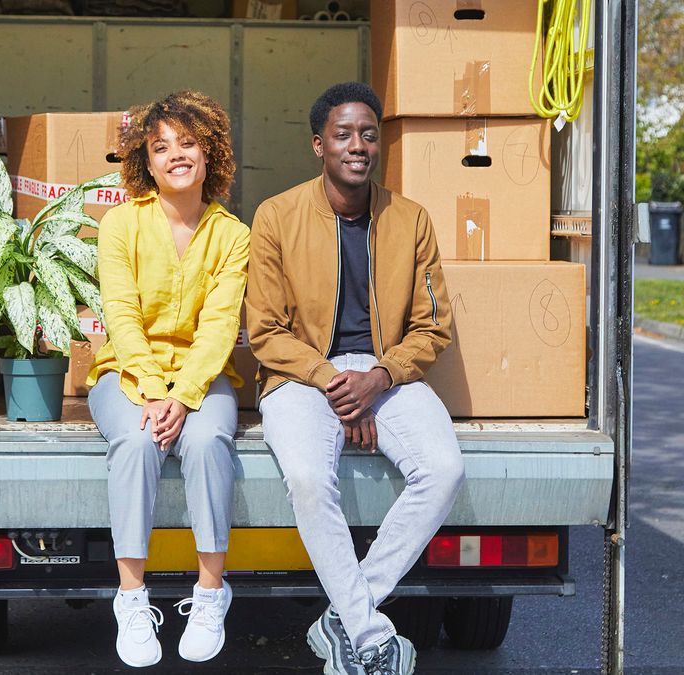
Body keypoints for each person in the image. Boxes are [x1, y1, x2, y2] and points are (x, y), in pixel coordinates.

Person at [245, 82, 465, 675]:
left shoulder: (411, 219)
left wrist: (379, 377)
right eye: (343, 134)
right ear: (319, 145)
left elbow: (432, 327)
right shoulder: (276, 216)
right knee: (311, 479)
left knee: (444, 468)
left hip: (384, 375)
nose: (357, 145)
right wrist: (332, 382)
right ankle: (370, 635)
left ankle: (345, 615)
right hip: (299, 377)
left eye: (369, 134)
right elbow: (263, 331)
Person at [86, 90, 249, 668]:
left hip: (202, 379)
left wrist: (184, 396)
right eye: (161, 147)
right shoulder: (120, 226)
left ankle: (210, 594)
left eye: (187, 143)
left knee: (207, 441)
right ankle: (131, 599)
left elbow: (220, 327)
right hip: (127, 373)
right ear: (145, 163)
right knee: (135, 441)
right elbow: (121, 315)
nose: (176, 155)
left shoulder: (233, 235)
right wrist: (155, 391)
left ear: (209, 153)